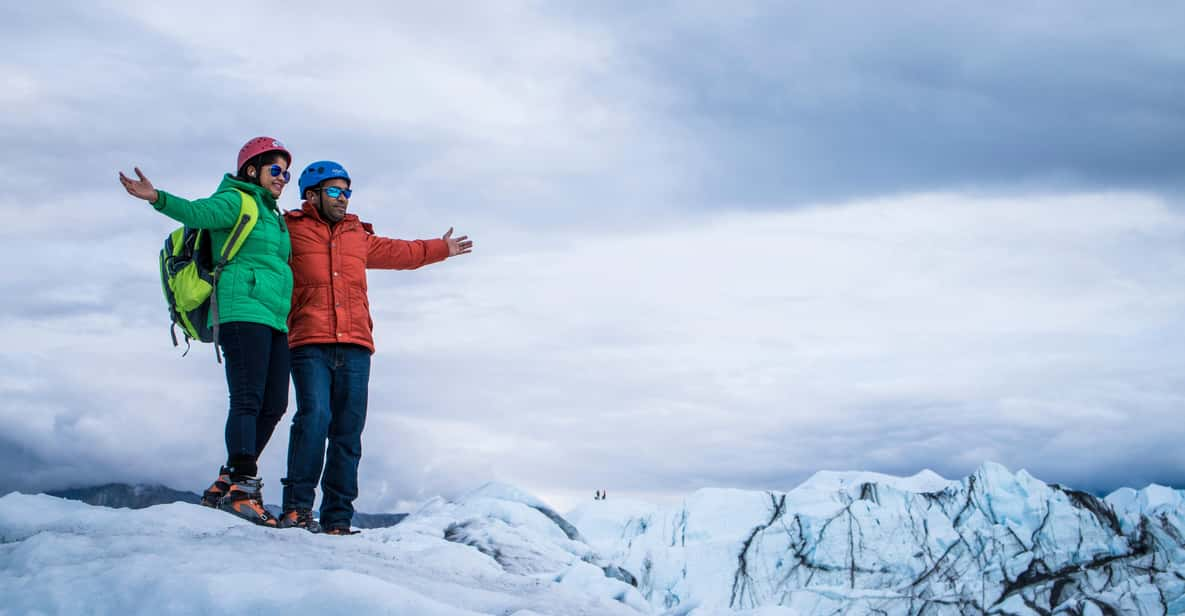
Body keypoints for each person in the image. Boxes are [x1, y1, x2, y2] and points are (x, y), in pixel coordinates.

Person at [277, 161, 472, 535]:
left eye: (347, 192)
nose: (343, 199)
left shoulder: (357, 235)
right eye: (335, 191)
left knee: (348, 432)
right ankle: (297, 509)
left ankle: (337, 519)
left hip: (354, 345)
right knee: (314, 419)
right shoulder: (290, 230)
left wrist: (441, 248)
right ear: (312, 194)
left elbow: (403, 253)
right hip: (308, 340)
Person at [119, 137, 295, 527]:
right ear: (253, 170)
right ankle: (243, 489)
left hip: (275, 317)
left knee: (275, 404)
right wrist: (156, 197)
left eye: (287, 172)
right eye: (276, 170)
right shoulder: (237, 200)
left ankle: (229, 478)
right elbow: (198, 212)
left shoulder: (274, 215)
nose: (283, 178)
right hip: (239, 309)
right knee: (248, 400)